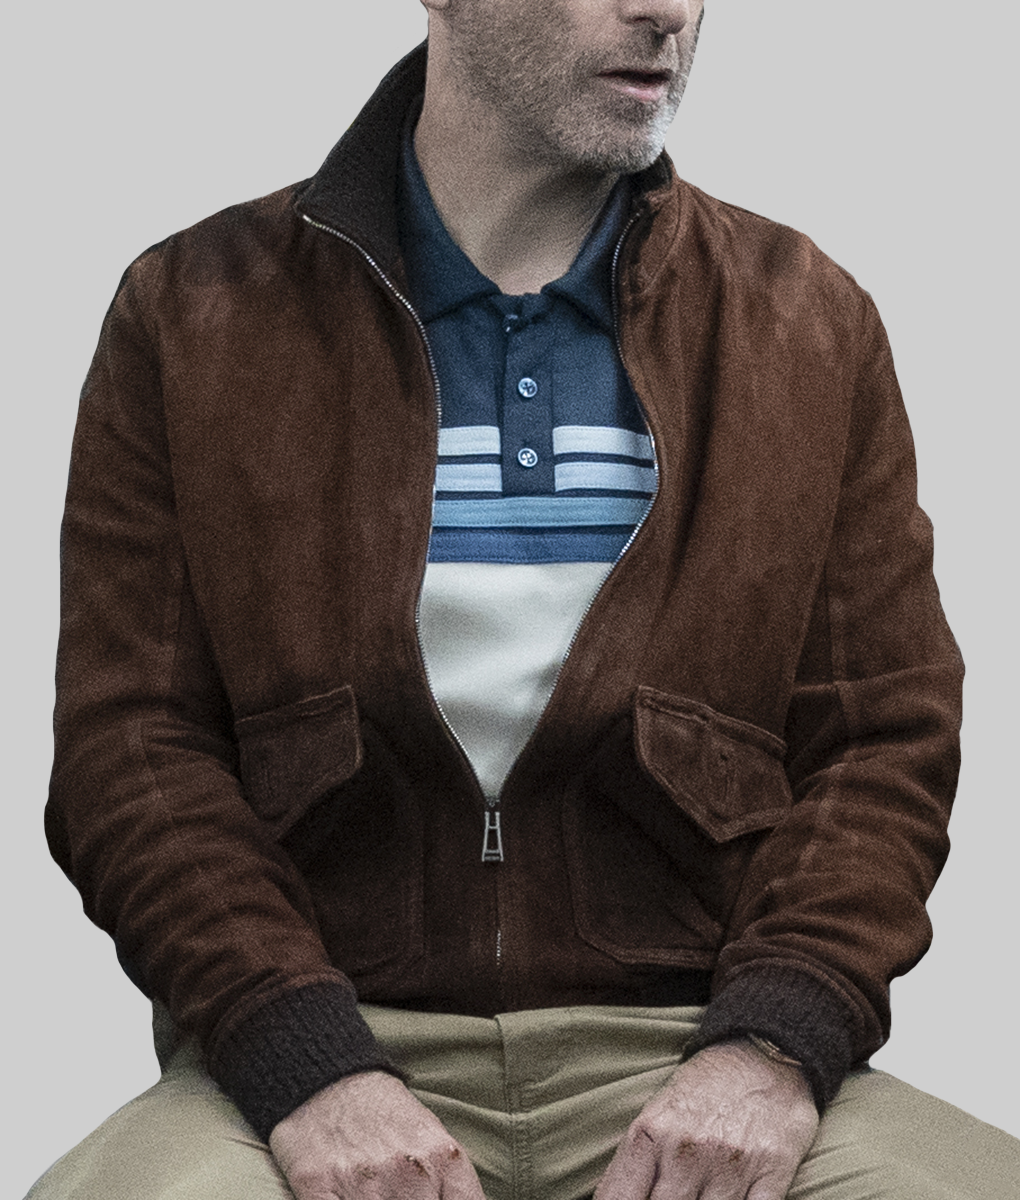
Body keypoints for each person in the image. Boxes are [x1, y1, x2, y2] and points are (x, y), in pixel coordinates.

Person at [28, 1, 1020, 1198]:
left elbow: (882, 742)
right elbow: (133, 752)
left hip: (698, 1045)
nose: (667, 11)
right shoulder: (196, 311)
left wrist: (770, 1050)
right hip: (308, 1053)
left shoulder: (804, 320)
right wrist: (307, 1069)